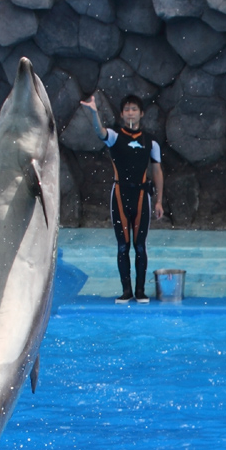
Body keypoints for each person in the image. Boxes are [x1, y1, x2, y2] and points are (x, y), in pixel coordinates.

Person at [80, 93, 164, 304]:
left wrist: (159, 200)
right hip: (120, 195)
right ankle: (126, 291)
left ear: (141, 113)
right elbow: (99, 131)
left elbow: (157, 171)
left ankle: (140, 291)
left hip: (142, 196)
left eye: (134, 109)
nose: (130, 113)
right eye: (127, 109)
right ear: (121, 114)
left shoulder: (151, 141)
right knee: (123, 246)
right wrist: (94, 113)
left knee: (140, 246)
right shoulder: (115, 136)